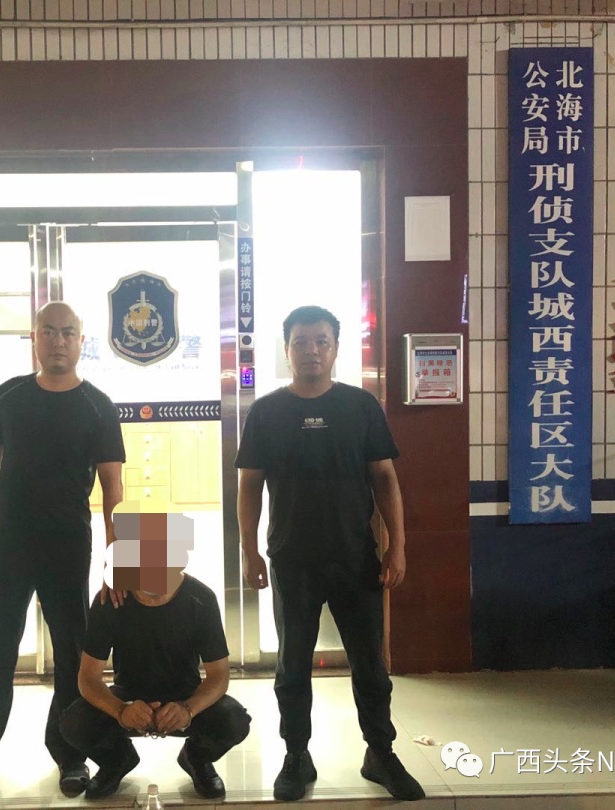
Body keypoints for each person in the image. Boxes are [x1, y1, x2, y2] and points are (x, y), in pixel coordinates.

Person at [235, 305, 426, 802]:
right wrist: (249, 551)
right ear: (287, 350)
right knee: (292, 667)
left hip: (355, 558)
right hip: (291, 559)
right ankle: (296, 755)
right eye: (301, 342)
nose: (312, 350)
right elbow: (249, 485)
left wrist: (397, 545)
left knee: (370, 665)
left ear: (336, 348)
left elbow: (384, 478)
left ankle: (380, 752)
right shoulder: (267, 412)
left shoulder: (360, 407)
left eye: (321, 341)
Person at [0, 302, 126, 798]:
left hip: (67, 543)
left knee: (71, 652)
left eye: (68, 333)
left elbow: (113, 487)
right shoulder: (12, 394)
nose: (58, 341)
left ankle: (70, 752)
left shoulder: (99, 405)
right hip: (10, 541)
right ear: (35, 338)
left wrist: (120, 558)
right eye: (49, 331)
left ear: (81, 340)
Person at [59, 502, 251, 801]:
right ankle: (117, 760)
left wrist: (188, 709)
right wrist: (120, 710)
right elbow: (88, 677)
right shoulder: (111, 600)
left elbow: (219, 675)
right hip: (128, 695)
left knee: (234, 720)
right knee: (73, 722)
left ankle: (197, 759)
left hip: (185, 694)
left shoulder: (200, 599)